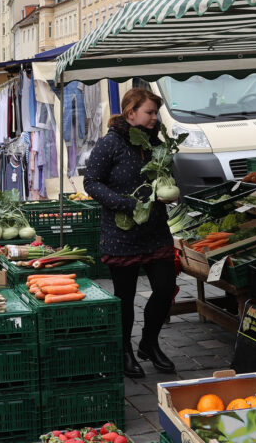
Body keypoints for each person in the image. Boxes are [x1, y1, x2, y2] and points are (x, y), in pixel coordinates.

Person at [83, 88, 177, 379]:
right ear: (130, 112)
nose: (154, 118)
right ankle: (125, 350)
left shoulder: (155, 143)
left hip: (155, 231)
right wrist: (126, 204)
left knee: (164, 288)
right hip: (122, 234)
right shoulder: (109, 144)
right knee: (125, 297)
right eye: (149, 112)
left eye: (155, 113)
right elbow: (91, 182)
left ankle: (149, 342)